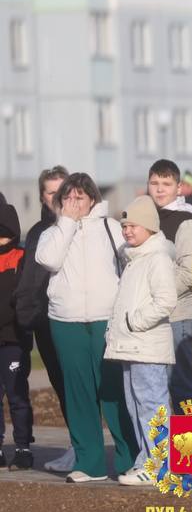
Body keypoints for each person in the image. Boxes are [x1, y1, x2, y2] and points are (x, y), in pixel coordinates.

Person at [35, 172, 139, 483]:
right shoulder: (52, 231)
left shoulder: (111, 229)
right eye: (67, 197)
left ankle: (128, 459)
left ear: (92, 198)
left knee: (112, 391)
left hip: (105, 318)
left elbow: (132, 259)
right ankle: (89, 462)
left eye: (80, 196)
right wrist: (67, 223)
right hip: (65, 321)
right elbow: (48, 260)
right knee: (78, 392)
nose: (74, 202)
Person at [104, 197, 178, 487]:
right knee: (136, 406)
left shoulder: (156, 258)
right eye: (124, 226)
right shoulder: (134, 259)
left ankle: (162, 465)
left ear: (149, 226)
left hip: (147, 347)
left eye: (133, 225)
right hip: (130, 346)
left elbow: (166, 300)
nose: (127, 231)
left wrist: (135, 322)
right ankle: (146, 461)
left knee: (152, 405)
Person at [14, 166, 70, 471]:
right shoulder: (37, 232)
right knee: (62, 387)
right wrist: (25, 317)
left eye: (62, 189)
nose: (57, 196)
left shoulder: (83, 228)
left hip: (75, 320)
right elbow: (30, 282)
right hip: (45, 323)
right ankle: (79, 447)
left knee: (85, 388)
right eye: (51, 191)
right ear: (42, 196)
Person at [146, 159, 192, 405]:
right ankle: (160, 444)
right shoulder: (146, 218)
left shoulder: (186, 221)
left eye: (166, 184)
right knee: (153, 387)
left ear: (179, 188)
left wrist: (158, 297)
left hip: (177, 314)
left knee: (181, 384)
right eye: (154, 183)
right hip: (150, 314)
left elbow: (189, 272)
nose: (159, 189)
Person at [0, 201, 33, 470]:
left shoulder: (21, 258)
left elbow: (24, 299)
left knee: (17, 396)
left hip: (14, 341)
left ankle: (23, 447)